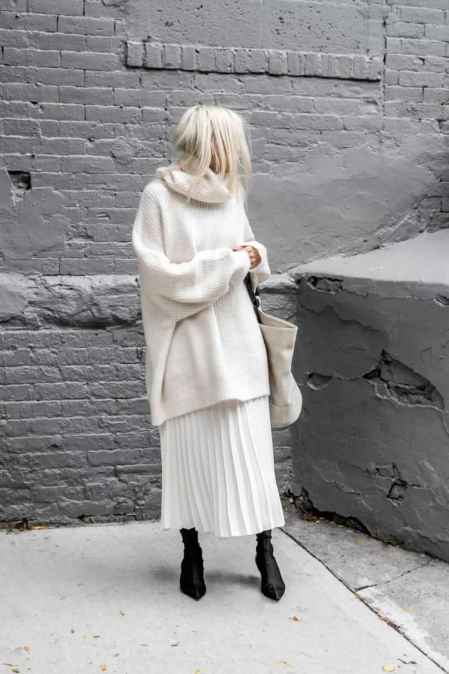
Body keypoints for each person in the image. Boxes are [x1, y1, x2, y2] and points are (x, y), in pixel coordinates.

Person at [132, 103, 286, 602]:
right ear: (211, 142)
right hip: (187, 346)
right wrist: (230, 262)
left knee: (251, 455)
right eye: (229, 142)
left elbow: (249, 252)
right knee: (189, 456)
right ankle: (191, 550)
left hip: (239, 343)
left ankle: (265, 548)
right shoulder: (158, 196)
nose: (236, 153)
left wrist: (254, 254)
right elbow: (158, 277)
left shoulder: (231, 192)